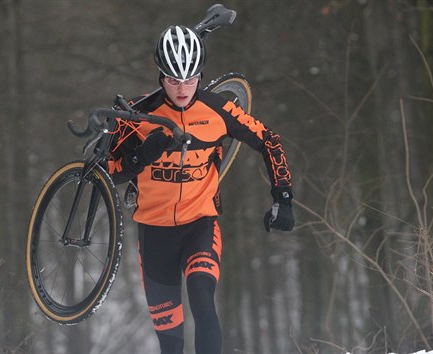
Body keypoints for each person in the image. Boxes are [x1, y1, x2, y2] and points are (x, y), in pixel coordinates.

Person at [108, 25, 294, 354]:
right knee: (171, 342)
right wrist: (139, 157)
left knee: (202, 299)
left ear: (200, 75)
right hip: (154, 235)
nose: (182, 89)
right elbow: (106, 174)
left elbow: (269, 140)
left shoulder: (218, 109)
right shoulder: (137, 115)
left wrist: (283, 197)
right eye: (174, 80)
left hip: (200, 225)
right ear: (161, 76)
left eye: (191, 80)